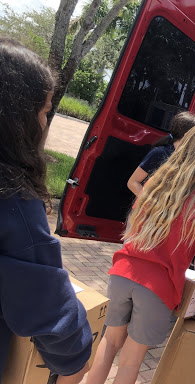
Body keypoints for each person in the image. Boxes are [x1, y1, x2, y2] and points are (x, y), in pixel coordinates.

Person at [86, 123, 195, 384]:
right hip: (157, 287)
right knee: (130, 361)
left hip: (121, 274)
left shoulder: (155, 182)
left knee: (109, 342)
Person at [0, 38, 92, 383]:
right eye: (44, 110)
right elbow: (51, 308)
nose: (44, 123)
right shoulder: (14, 201)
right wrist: (78, 356)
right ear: (16, 119)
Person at [127, 111, 195, 196]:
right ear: (187, 135)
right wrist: (150, 204)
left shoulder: (189, 158)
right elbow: (133, 182)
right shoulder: (159, 153)